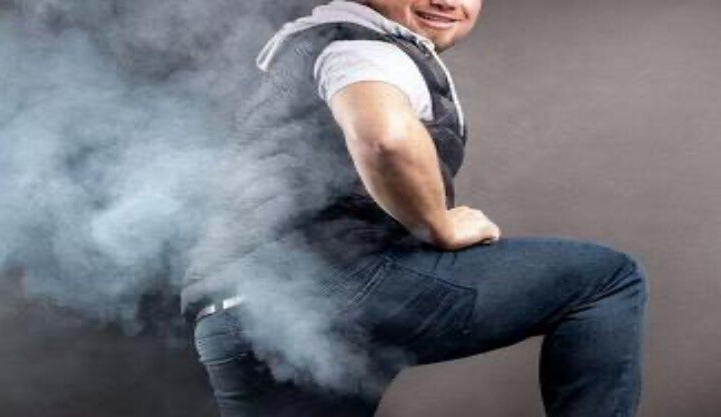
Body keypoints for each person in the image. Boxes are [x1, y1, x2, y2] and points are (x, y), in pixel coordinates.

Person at [189, 1, 650, 416]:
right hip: (333, 286)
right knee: (606, 279)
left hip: (237, 317)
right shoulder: (362, 46)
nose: (447, 1)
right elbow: (384, 138)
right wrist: (438, 224)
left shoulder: (308, 49)